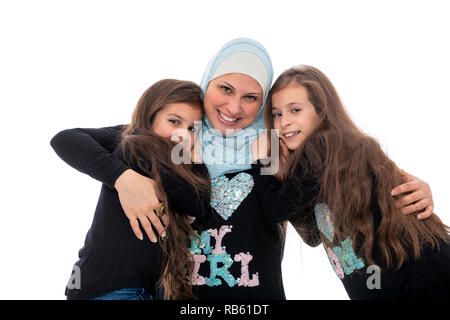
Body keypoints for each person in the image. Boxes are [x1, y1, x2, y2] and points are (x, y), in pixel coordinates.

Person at [50, 38, 435, 299]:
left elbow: (325, 208)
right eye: (225, 90)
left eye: (252, 97)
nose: (235, 108)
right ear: (208, 84)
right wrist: (124, 178)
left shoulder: (277, 146)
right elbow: (68, 139)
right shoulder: (166, 138)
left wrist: (407, 188)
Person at [254, 64, 450, 299]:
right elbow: (314, 236)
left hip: (419, 278)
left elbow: (276, 211)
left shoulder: (322, 145)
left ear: (321, 111)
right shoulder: (326, 166)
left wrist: (262, 161)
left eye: (295, 110)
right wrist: (282, 175)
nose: (284, 121)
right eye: (277, 114)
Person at [51, 79, 211, 300]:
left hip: (113, 287)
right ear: (151, 115)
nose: (183, 134)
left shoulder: (136, 145)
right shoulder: (139, 149)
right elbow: (198, 202)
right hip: (116, 289)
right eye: (174, 121)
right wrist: (122, 177)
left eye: (193, 128)